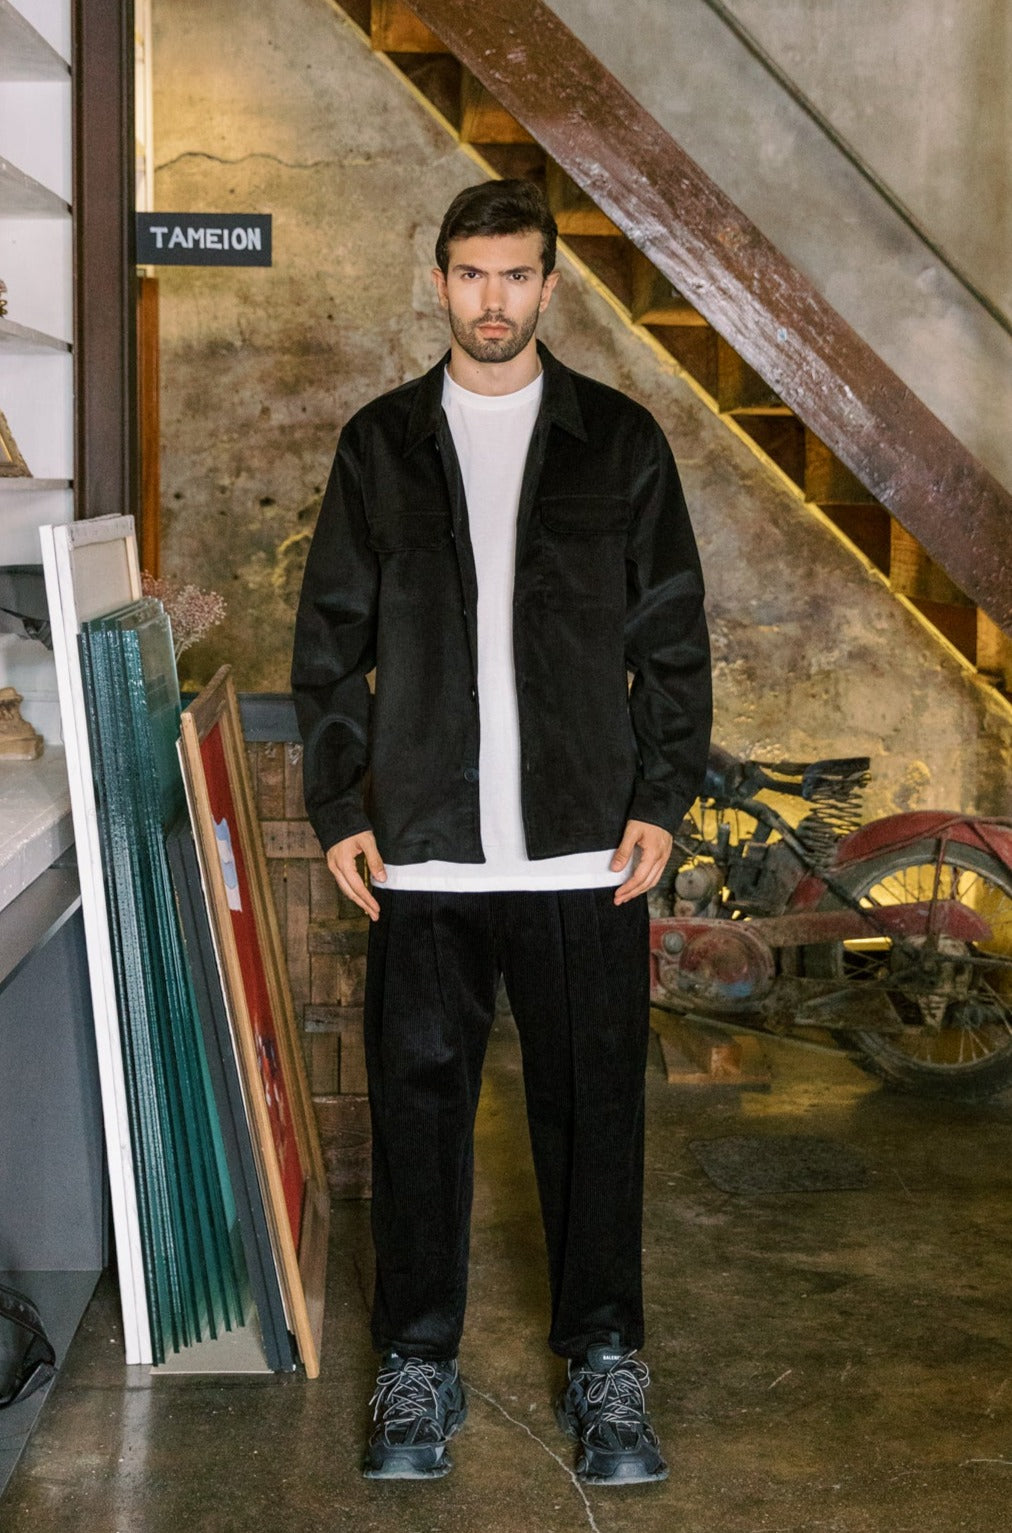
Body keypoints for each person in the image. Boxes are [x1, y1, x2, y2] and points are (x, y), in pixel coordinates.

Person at [291, 179, 711, 1485]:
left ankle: (606, 1359)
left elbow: (673, 636)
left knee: (595, 1116)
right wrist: (340, 805)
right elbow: (329, 641)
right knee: (418, 1117)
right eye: (471, 274)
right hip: (425, 848)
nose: (492, 299)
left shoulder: (619, 443)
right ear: (439, 281)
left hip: (587, 852)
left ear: (548, 286)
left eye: (516, 274)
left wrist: (660, 797)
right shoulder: (379, 446)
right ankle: (418, 1361)